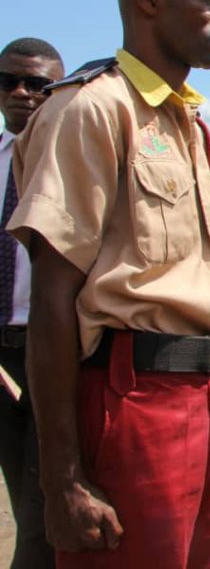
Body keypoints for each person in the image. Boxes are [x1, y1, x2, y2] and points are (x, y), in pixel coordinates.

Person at [8, 0, 210, 568]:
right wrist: (63, 481)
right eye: (209, 1)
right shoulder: (89, 108)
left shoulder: (184, 122)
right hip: (130, 401)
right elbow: (52, 300)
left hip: (205, 392)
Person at [0, 37, 64, 569]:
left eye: (39, 85)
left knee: (47, 498)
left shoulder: (75, 161)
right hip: (1, 354)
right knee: (23, 499)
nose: (23, 93)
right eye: (9, 82)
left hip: (56, 352)